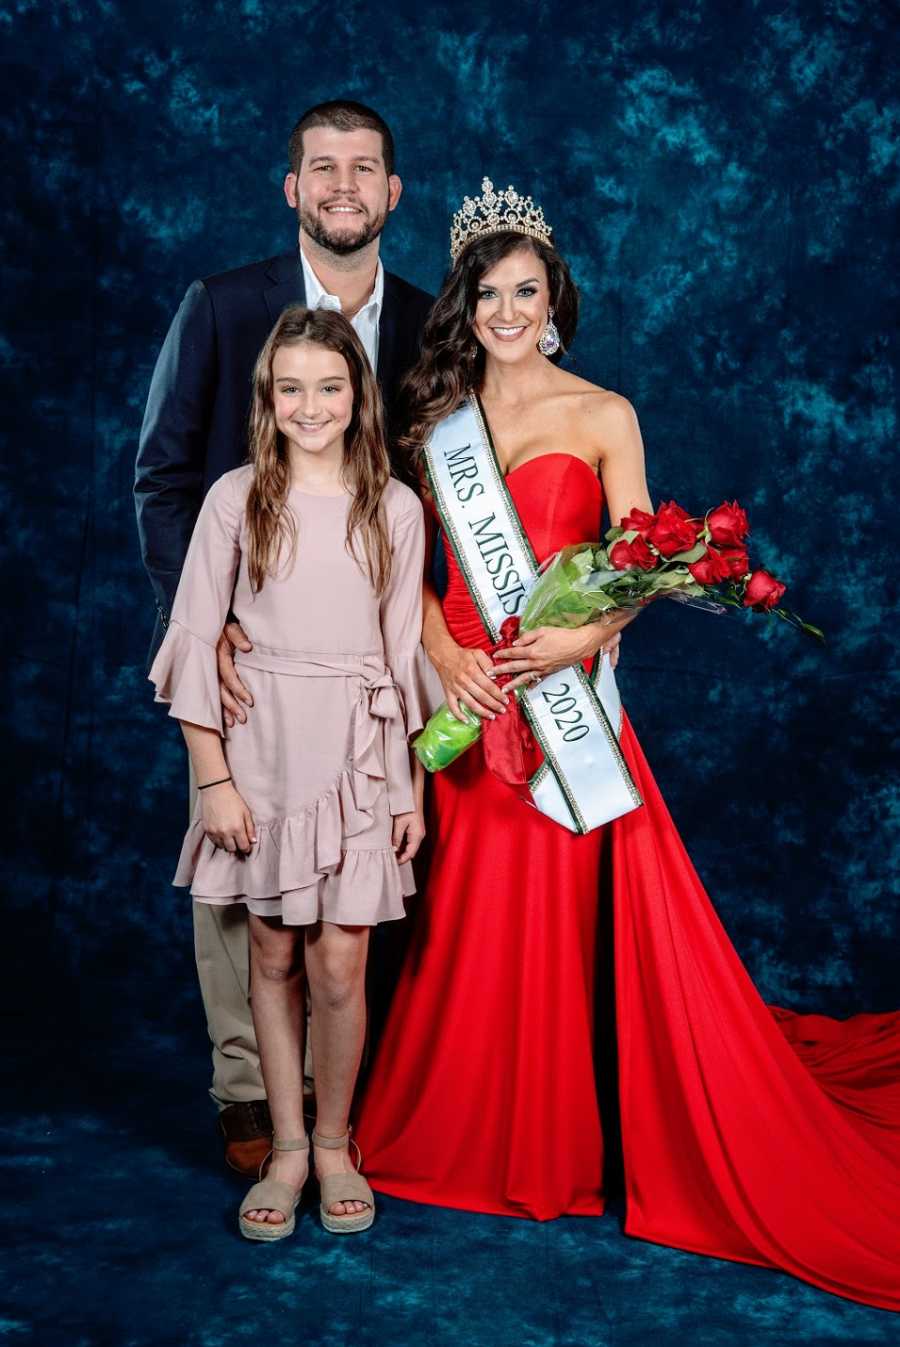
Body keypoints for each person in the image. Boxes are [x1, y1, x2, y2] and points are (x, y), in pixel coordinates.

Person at [354, 180, 900, 1310]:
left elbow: (642, 566)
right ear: (466, 303)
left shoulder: (605, 413)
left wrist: (579, 641)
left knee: (553, 919)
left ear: (554, 297)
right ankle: (451, 1130)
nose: (507, 311)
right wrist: (440, 656)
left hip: (563, 708)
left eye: (526, 290)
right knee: (461, 913)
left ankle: (546, 1146)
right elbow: (406, 569)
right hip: (468, 700)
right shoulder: (433, 423)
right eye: (488, 293)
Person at [134, 99, 434, 1176]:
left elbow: (434, 500)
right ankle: (253, 1098)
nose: (343, 185)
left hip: (358, 673)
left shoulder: (430, 323)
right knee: (245, 898)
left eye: (365, 168)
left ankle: (336, 1114)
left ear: (393, 193)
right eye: (322, 168)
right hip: (245, 656)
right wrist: (201, 621)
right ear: (292, 188)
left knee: (342, 931)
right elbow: (164, 476)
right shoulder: (223, 307)